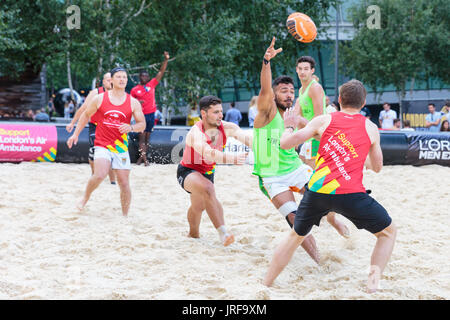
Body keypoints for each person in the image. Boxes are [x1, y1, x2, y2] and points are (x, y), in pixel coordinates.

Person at [263, 79, 397, 294]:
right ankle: (372, 286)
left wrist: (288, 126)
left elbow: (286, 143)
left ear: (340, 100)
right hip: (350, 194)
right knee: (388, 233)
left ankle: (265, 284)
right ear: (363, 103)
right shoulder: (371, 127)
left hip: (317, 191)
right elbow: (377, 167)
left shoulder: (323, 120)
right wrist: (356, 154)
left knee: (294, 237)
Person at [253, 38, 349, 264]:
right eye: (283, 91)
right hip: (272, 176)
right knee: (297, 220)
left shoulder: (292, 116)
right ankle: (319, 260)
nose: (288, 95)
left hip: (295, 168)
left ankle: (334, 221)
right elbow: (265, 88)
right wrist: (266, 61)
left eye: (291, 91)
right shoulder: (266, 112)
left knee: (325, 197)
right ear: (275, 95)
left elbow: (314, 131)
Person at [66, 67, 146, 216]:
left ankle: (125, 215)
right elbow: (85, 115)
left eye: (124, 77)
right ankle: (84, 198)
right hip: (102, 143)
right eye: (119, 77)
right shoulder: (100, 98)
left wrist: (131, 127)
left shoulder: (133, 102)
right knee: (100, 174)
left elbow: (142, 124)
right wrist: (75, 134)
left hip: (120, 147)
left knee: (123, 182)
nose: (122, 79)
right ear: (112, 80)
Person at [177, 95, 252, 246]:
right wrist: (232, 159)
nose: (221, 115)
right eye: (216, 112)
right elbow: (208, 153)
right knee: (209, 189)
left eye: (221, 111)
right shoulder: (195, 132)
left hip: (207, 173)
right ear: (204, 114)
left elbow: (248, 139)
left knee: (199, 206)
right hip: (188, 171)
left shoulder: (227, 127)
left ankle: (192, 234)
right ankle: (223, 233)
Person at [66, 72, 116, 185]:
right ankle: (94, 175)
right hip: (96, 127)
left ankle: (113, 181)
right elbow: (83, 109)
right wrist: (72, 123)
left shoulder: (118, 93)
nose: (110, 82)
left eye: (111, 79)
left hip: (111, 128)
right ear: (103, 82)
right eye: (107, 80)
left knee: (110, 155)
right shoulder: (96, 93)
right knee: (94, 151)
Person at [131, 51, 170, 166]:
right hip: (141, 116)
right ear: (139, 77)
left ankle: (141, 159)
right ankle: (145, 160)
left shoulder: (151, 84)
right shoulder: (135, 89)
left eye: (146, 76)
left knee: (147, 138)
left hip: (151, 115)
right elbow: (130, 102)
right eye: (142, 76)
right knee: (141, 138)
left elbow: (161, 72)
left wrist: (166, 60)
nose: (144, 77)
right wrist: (138, 101)